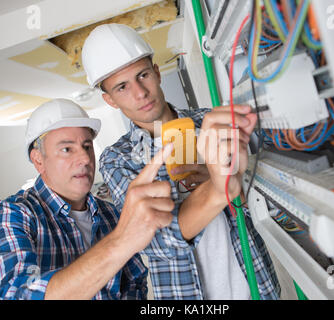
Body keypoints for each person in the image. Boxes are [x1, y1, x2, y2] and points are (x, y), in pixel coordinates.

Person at [81, 24, 281, 300]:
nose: (140, 93)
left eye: (143, 75)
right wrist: (218, 189)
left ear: (157, 72)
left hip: (257, 286)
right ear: (110, 100)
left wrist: (238, 189)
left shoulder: (210, 121)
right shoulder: (118, 159)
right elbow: (157, 243)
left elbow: (267, 199)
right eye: (123, 87)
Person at [0, 98, 175, 300]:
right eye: (67, 149)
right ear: (38, 160)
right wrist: (121, 241)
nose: (86, 159)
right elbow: (14, 295)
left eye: (87, 146)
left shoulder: (111, 215)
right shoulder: (11, 216)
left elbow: (134, 282)